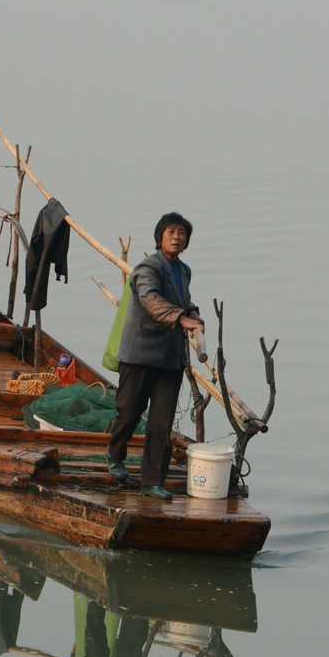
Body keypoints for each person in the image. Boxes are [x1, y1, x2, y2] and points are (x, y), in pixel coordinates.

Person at [106, 213, 204, 500]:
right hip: (140, 354)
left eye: (182, 233)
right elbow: (150, 300)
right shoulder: (148, 267)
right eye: (171, 232)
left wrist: (193, 313)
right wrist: (181, 319)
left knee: (161, 423)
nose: (177, 237)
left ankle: (152, 481)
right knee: (129, 413)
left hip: (170, 358)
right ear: (160, 237)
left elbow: (184, 301)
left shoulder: (184, 270)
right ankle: (115, 452)